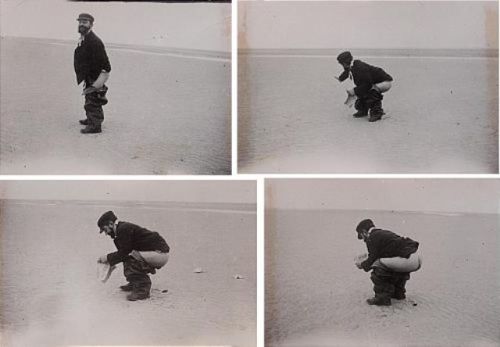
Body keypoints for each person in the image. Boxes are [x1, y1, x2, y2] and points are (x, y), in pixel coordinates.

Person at [97, 211, 170, 301]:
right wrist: (110, 260)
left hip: (160, 254)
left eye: (105, 229)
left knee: (130, 257)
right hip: (156, 253)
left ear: (111, 224)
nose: (105, 233)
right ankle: (135, 283)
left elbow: (124, 252)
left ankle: (142, 289)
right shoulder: (120, 231)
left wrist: (107, 258)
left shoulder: (123, 229)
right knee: (129, 257)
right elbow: (123, 252)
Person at [354, 219, 420, 306]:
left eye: (361, 236)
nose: (363, 240)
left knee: (378, 266)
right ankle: (398, 294)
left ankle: (382, 299)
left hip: (406, 260)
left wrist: (361, 265)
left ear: (364, 232)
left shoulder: (371, 237)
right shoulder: (383, 233)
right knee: (390, 266)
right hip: (415, 258)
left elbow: (373, 258)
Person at [74, 13, 111, 134]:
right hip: (89, 75)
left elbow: (106, 65)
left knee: (93, 100)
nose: (81, 24)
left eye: (85, 22)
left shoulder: (94, 41)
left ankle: (95, 126)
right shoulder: (85, 38)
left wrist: (97, 82)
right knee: (89, 98)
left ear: (91, 24)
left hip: (95, 76)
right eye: (80, 22)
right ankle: (91, 119)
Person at [336, 51, 393, 122]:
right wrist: (340, 78)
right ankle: (363, 110)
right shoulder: (352, 65)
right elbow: (347, 72)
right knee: (361, 91)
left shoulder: (360, 67)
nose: (342, 65)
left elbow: (368, 85)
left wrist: (354, 90)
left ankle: (377, 113)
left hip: (385, 82)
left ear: (345, 62)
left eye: (341, 63)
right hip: (372, 82)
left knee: (371, 92)